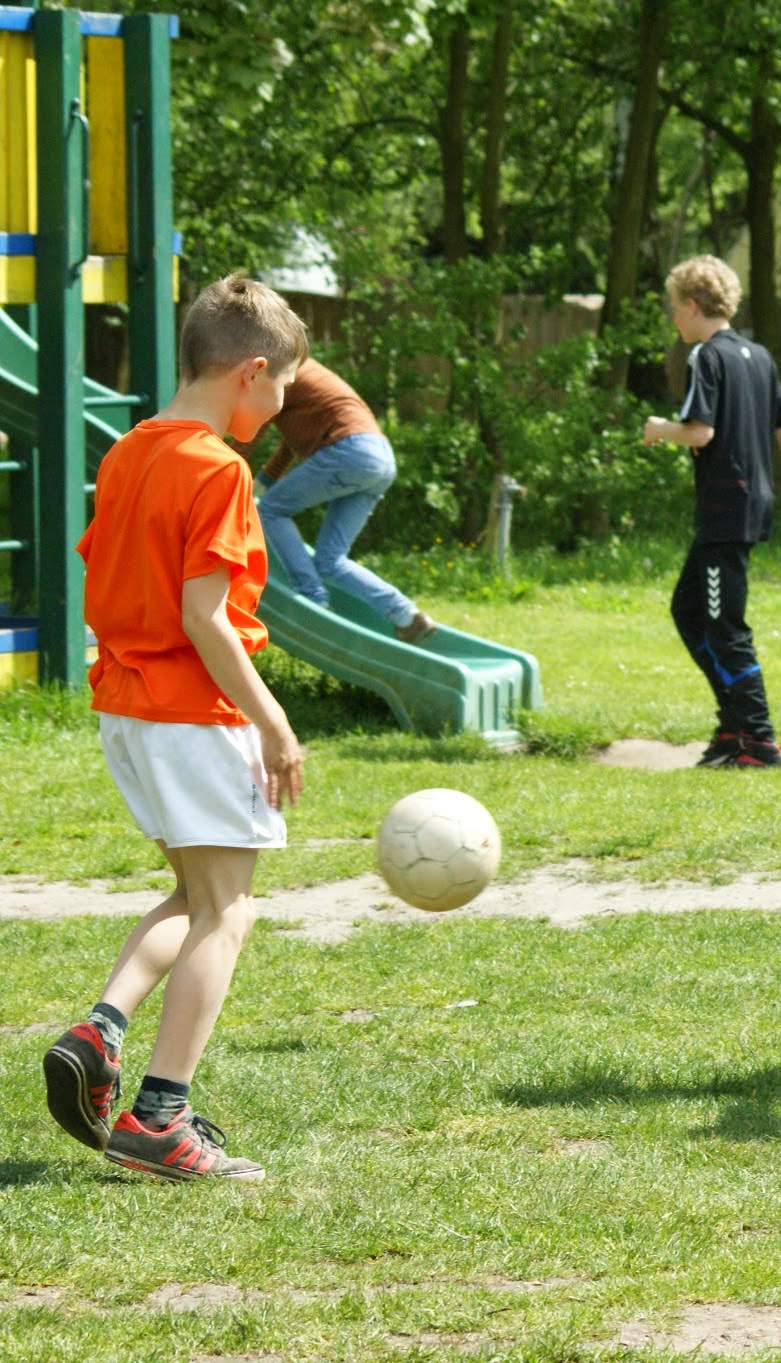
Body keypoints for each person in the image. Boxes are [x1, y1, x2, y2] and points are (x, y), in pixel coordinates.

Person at [43, 273, 308, 1182]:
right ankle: (161, 1115)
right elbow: (207, 616)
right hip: (192, 710)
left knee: (198, 898)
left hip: (127, 706)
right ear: (252, 371)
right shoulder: (216, 467)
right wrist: (272, 719)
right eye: (281, 391)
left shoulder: (129, 451)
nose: (278, 411)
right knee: (229, 911)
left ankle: (99, 1030)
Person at [643, 256, 781, 769]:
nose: (674, 318)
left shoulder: (706, 356)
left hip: (727, 507)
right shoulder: (758, 356)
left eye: (675, 308)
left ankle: (759, 741)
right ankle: (733, 726)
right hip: (745, 505)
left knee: (724, 626)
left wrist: (660, 428)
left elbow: (700, 432)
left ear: (694, 306)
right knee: (689, 611)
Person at [240, 357, 436, 643]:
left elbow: (252, 431)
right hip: (379, 456)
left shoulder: (280, 370)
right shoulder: (306, 379)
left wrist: (222, 467)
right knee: (330, 559)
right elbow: (287, 450)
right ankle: (407, 615)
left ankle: (313, 601)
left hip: (350, 450)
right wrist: (258, 486)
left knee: (270, 512)